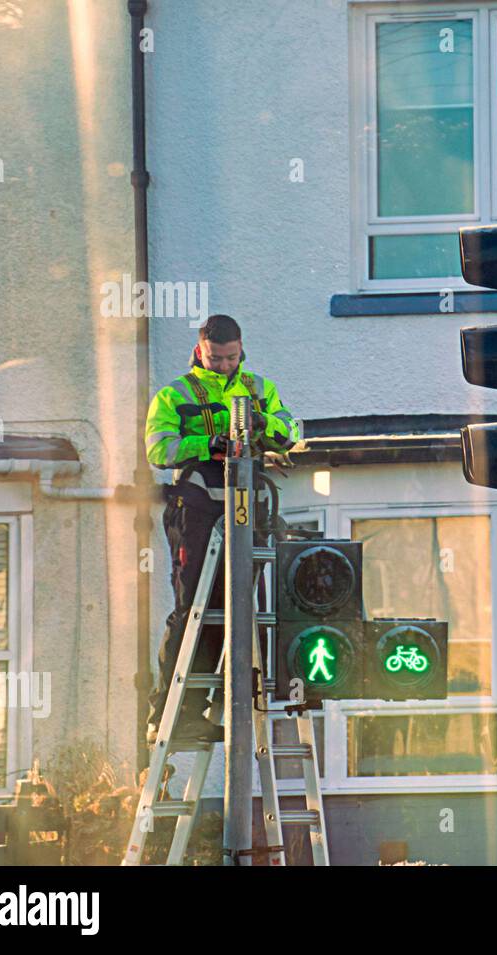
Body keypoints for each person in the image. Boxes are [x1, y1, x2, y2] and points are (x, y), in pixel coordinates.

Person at [142, 314, 300, 744]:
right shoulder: (175, 394)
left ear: (241, 348)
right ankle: (174, 711)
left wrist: (264, 426)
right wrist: (207, 444)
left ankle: (217, 702)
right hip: (196, 509)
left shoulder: (258, 388)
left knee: (236, 609)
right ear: (201, 350)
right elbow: (159, 447)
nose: (225, 366)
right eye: (216, 358)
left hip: (247, 508)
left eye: (231, 358)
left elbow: (291, 429)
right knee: (193, 607)